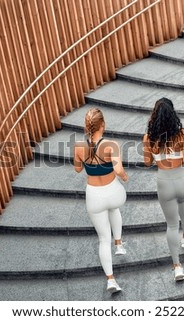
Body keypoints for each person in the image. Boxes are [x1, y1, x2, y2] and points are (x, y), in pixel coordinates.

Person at [74, 107, 128, 293]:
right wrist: (126, 177)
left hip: (94, 196)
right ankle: (119, 244)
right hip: (114, 193)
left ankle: (111, 280)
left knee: (103, 239)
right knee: (114, 209)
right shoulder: (111, 145)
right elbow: (119, 170)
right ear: (102, 125)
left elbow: (78, 169)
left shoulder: (79, 146)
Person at [143, 97, 184, 281]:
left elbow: (147, 162)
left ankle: (177, 267)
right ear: (173, 114)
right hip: (183, 181)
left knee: (172, 225)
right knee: (183, 200)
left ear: (155, 116)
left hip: (164, 183)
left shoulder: (149, 138)